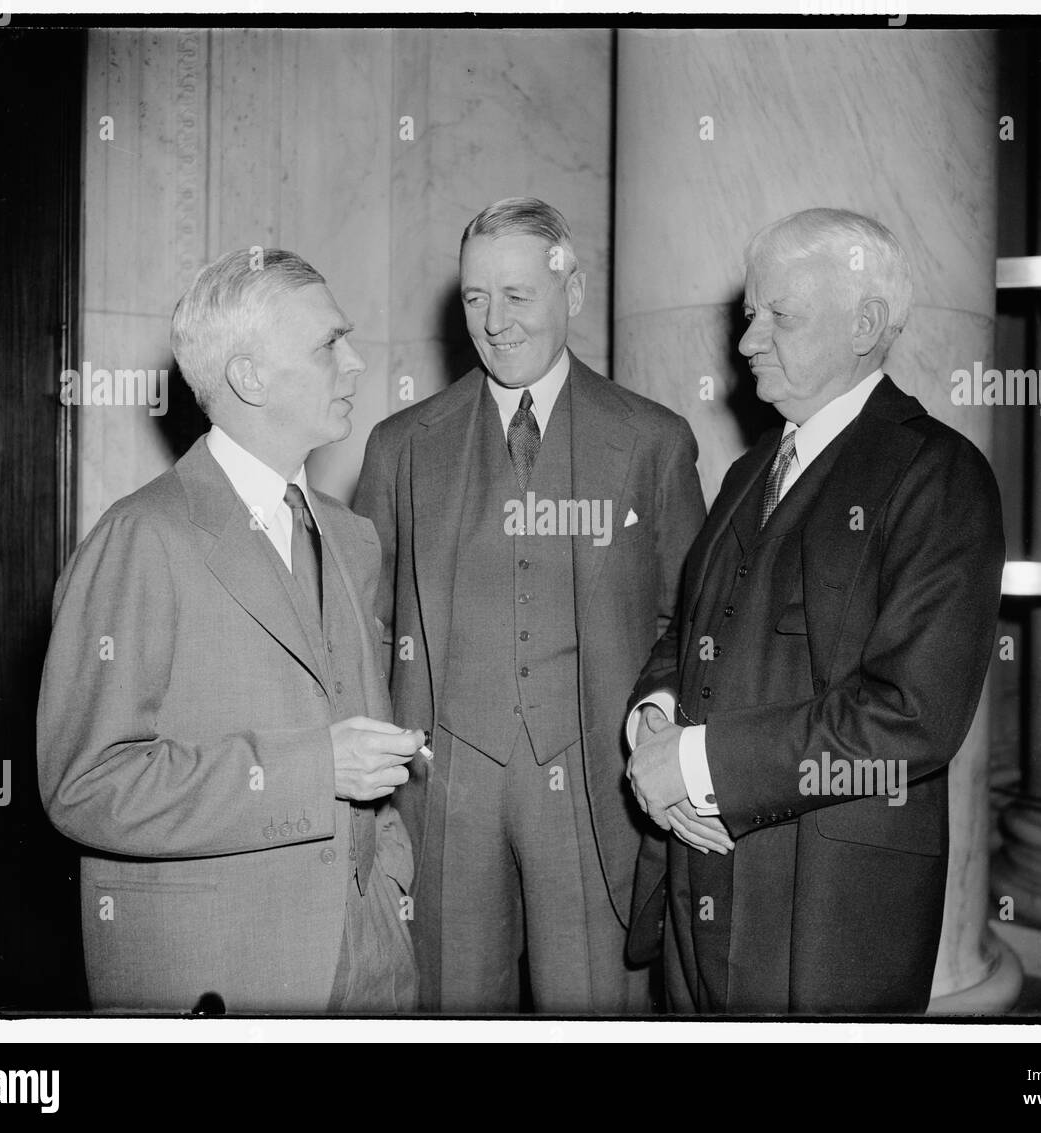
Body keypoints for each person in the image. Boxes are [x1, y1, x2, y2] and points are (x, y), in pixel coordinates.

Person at [625, 208, 1004, 1014]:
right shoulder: (750, 469)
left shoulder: (941, 475)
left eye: (779, 316)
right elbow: (690, 634)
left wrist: (696, 765)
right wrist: (655, 720)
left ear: (866, 325)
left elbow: (913, 717)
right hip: (700, 890)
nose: (748, 341)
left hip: (828, 913)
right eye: (752, 314)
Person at [37, 248, 420, 1013]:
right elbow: (85, 783)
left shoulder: (350, 536)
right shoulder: (140, 538)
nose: (354, 363)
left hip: (369, 967)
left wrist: (389, 889)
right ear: (248, 377)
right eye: (327, 344)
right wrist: (315, 770)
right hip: (221, 979)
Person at [353, 197, 705, 1013]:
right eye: (476, 298)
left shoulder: (653, 440)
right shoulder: (400, 445)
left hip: (594, 789)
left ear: (571, 292)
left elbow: (688, 625)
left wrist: (661, 737)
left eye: (517, 296)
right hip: (445, 790)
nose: (494, 321)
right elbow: (362, 626)